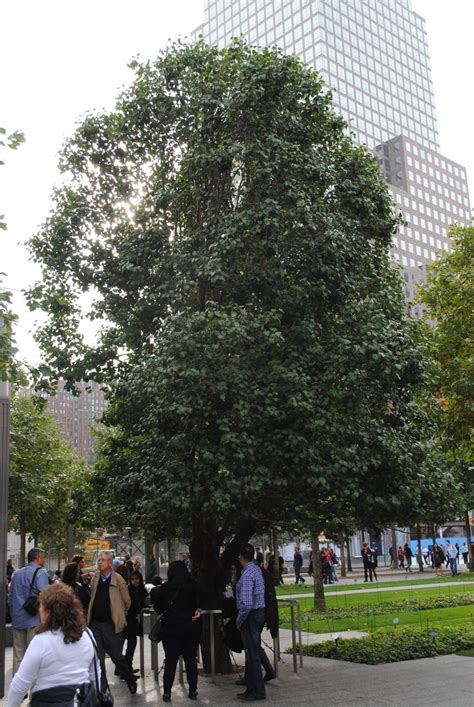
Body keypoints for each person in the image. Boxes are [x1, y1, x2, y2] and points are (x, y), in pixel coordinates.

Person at [7, 583, 97, 707]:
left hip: (48, 701)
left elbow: (20, 685)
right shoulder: (87, 636)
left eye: (41, 606)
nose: (39, 610)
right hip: (82, 700)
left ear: (49, 612)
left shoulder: (41, 642)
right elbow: (95, 675)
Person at [87, 550, 138, 694]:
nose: (99, 562)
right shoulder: (95, 577)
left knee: (117, 656)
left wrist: (119, 614)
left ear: (110, 563)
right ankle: (103, 690)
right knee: (98, 658)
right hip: (95, 624)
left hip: (111, 624)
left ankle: (129, 679)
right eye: (99, 560)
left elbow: (127, 602)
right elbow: (93, 595)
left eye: (103, 560)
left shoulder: (119, 580)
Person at [153, 560, 202, 702]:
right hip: (190, 627)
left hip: (171, 628)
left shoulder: (164, 588)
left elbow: (159, 609)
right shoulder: (193, 586)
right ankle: (193, 690)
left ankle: (167, 692)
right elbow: (203, 599)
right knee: (191, 659)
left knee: (170, 660)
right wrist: (198, 610)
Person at [8, 548, 50, 675]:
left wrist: (13, 613)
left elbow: (10, 598)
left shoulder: (16, 573)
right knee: (34, 656)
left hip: (17, 619)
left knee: (18, 656)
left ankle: (19, 688)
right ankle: (32, 689)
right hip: (34, 620)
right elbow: (45, 596)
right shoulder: (41, 572)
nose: (44, 560)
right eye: (43, 557)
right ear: (37, 559)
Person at [235, 544, 266, 703]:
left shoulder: (247, 575)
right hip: (258, 614)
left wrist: (239, 620)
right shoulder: (256, 569)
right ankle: (251, 689)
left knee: (252, 655)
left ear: (240, 556)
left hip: (251, 616)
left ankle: (257, 691)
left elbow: (246, 603)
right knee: (253, 653)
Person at [123, 571, 148, 671]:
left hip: (134, 621)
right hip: (127, 620)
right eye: (132, 579)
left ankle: (125, 667)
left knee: (131, 644)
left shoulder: (142, 590)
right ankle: (125, 667)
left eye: (136, 579)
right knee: (130, 643)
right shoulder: (128, 590)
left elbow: (144, 603)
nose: (135, 581)